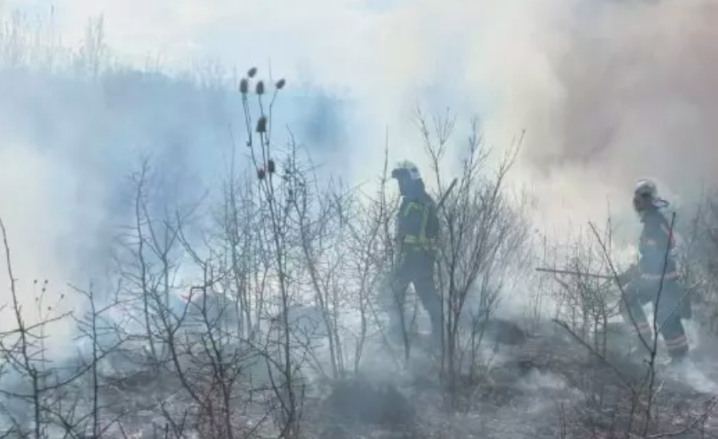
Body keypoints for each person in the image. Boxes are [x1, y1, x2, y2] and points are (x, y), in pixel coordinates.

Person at [619, 179, 690, 365]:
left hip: (662, 282)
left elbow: (656, 256)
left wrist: (633, 273)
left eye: (642, 197)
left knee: (665, 318)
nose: (637, 201)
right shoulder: (652, 220)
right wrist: (634, 271)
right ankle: (645, 344)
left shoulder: (655, 223)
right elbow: (650, 257)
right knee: (630, 301)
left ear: (649, 199)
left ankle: (680, 361)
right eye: (637, 197)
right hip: (653, 281)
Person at [387, 160, 443, 345]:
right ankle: (440, 338)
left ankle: (398, 337)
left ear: (411, 179)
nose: (400, 184)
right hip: (421, 259)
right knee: (428, 298)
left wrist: (402, 242)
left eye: (402, 180)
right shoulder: (420, 200)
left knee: (395, 293)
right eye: (399, 181)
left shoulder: (416, 202)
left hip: (414, 259)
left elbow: (412, 231)